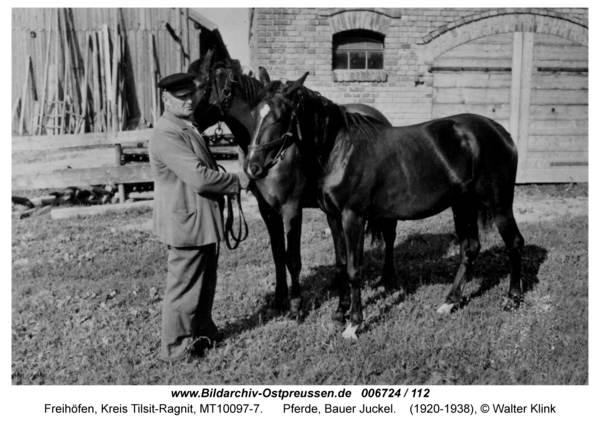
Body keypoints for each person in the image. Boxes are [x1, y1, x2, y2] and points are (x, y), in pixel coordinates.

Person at [148, 73, 250, 362]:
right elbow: (199, 178)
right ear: (165, 99)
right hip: (186, 223)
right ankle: (176, 351)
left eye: (191, 94)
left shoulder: (185, 127)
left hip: (198, 221)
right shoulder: (167, 132)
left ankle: (204, 334)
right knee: (183, 289)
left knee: (204, 283)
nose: (190, 100)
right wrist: (236, 180)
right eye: (182, 97)